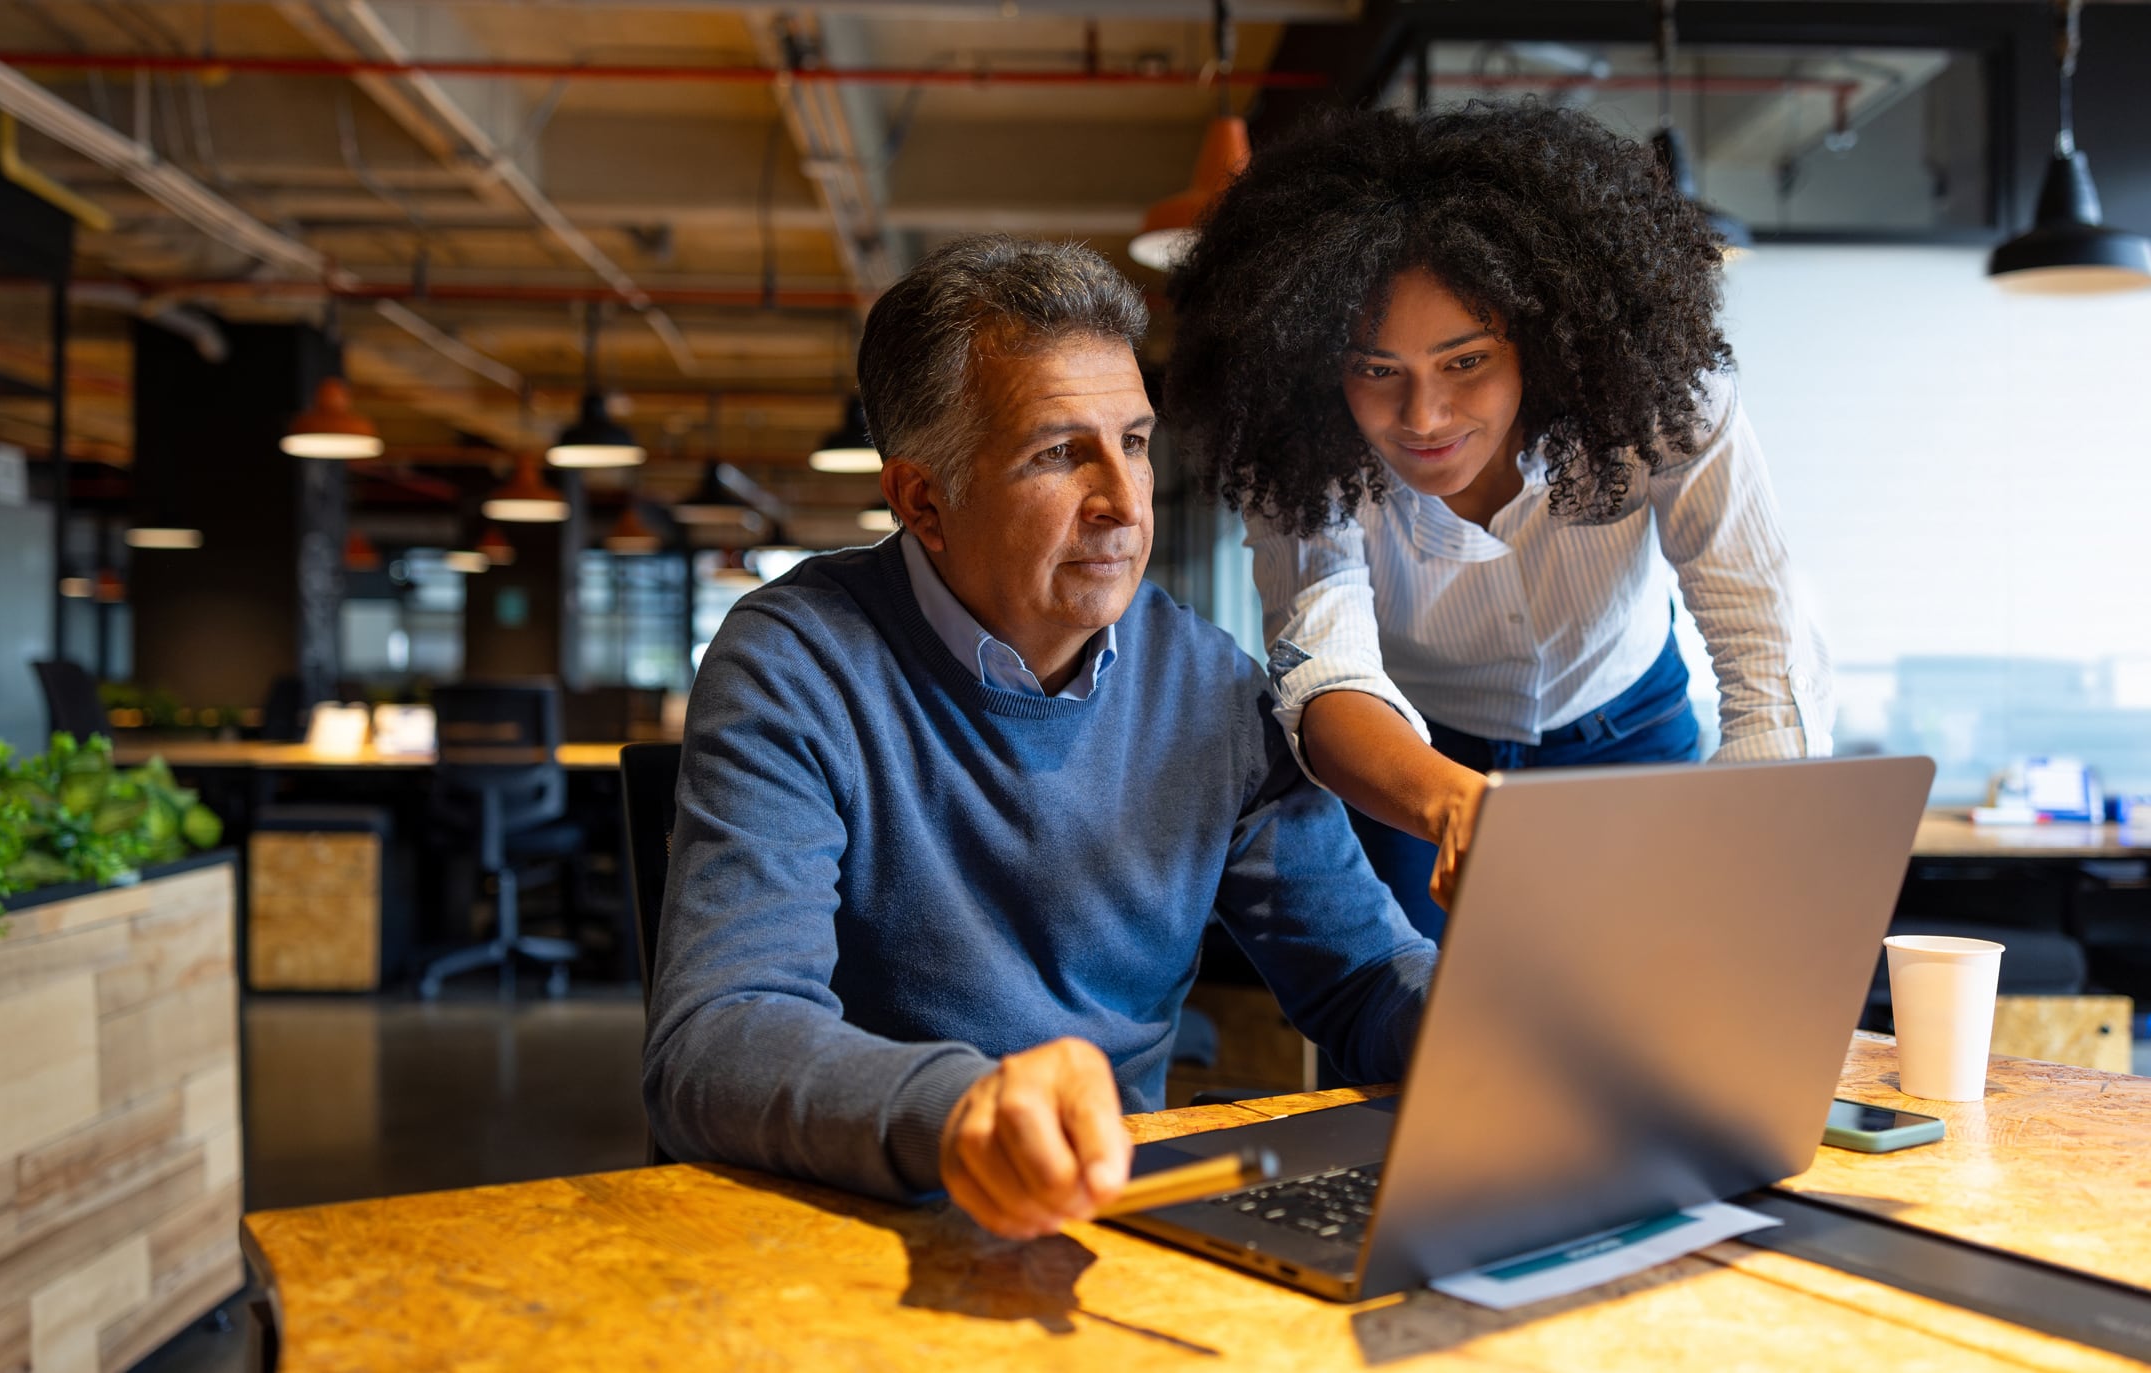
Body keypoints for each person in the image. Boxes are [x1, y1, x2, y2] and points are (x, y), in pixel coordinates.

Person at [642, 234, 1437, 1241]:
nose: (1123, 502)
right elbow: (714, 1040)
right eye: (1061, 453)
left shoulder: (1209, 684)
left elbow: (1364, 977)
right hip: (856, 1226)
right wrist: (963, 1109)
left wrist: (1484, 1026)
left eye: (1136, 442)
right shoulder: (797, 660)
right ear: (922, 500)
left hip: (1116, 1229)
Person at [1165, 102, 1834, 941]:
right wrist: (1452, 801)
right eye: (1377, 369)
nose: (1424, 414)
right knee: (1413, 1022)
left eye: (1466, 361)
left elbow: (1763, 638)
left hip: (1628, 726)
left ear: (1543, 337)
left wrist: (1753, 836)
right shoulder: (1301, 451)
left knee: (1652, 1005)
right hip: (1415, 757)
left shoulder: (1662, 401)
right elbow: (1322, 667)